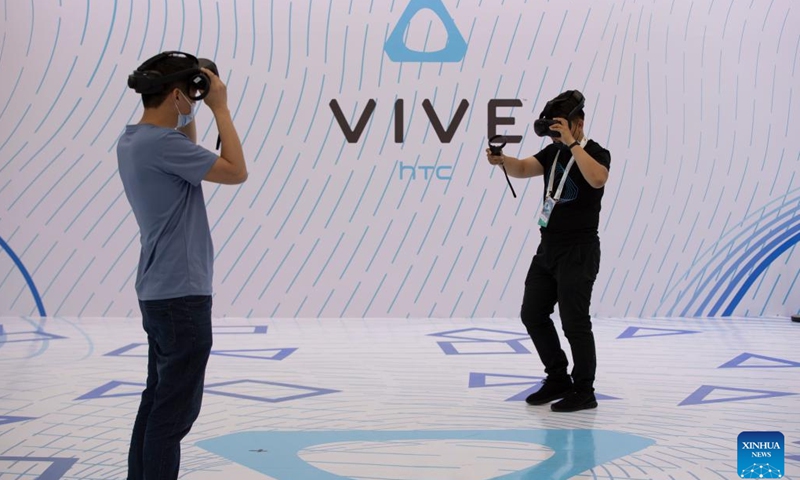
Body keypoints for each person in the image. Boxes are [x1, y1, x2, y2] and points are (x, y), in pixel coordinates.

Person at [117, 51, 247, 479]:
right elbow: (234, 171)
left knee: (157, 401)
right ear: (176, 95)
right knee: (172, 416)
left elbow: (186, 152)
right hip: (182, 297)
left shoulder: (134, 140)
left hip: (159, 292)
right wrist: (220, 108)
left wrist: (189, 104)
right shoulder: (164, 146)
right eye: (187, 95)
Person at [486, 90, 611, 412]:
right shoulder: (552, 152)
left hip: (579, 249)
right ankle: (557, 377)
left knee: (574, 321)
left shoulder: (596, 152)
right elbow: (524, 169)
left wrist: (571, 144)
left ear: (578, 123)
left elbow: (597, 180)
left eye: (562, 127)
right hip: (548, 246)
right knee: (533, 313)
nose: (556, 133)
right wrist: (502, 161)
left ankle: (584, 390)